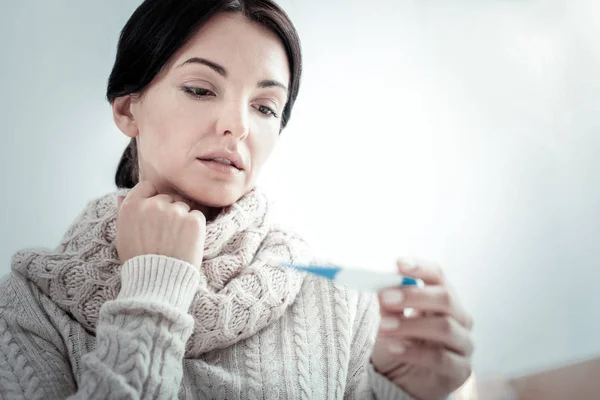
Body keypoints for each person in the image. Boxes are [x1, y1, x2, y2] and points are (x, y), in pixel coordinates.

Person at [0, 0, 474, 399]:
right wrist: (151, 292)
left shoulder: (339, 303)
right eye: (201, 89)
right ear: (128, 108)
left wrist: (401, 391)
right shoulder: (28, 307)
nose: (239, 125)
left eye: (265, 106)